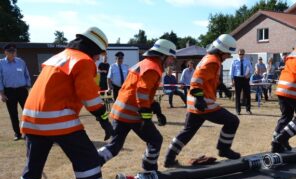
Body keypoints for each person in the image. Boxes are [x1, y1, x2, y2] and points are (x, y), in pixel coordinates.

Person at [14, 27, 124, 179]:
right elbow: (89, 95)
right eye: (99, 54)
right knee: (88, 159)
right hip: (57, 118)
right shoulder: (83, 61)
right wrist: (104, 120)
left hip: (31, 119)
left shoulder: (59, 57)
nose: (99, 58)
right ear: (94, 49)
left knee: (33, 168)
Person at [97, 39, 176, 171]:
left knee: (114, 146)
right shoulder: (153, 67)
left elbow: (139, 91)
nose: (172, 61)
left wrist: (156, 108)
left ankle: (93, 163)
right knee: (155, 140)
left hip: (120, 111)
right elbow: (142, 93)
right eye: (171, 58)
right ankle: (149, 169)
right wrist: (146, 117)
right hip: (133, 113)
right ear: (162, 56)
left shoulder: (144, 63)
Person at [163, 34, 240, 168]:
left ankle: (169, 159)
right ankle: (224, 149)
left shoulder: (209, 58)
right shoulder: (213, 61)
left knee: (187, 131)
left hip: (195, 101)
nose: (228, 56)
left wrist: (222, 87)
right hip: (202, 102)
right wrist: (200, 99)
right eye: (228, 54)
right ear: (221, 51)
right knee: (233, 121)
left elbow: (209, 79)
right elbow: (196, 81)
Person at [0, 43, 31, 141]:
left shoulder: (21, 62)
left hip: (22, 90)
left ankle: (28, 133)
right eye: (10, 51)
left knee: (27, 113)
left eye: (14, 51)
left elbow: (27, 74)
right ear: (5, 52)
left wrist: (28, 86)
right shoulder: (1, 63)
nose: (13, 53)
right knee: (13, 113)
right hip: (9, 91)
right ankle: (17, 134)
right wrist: (1, 93)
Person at [230, 49, 253, 115]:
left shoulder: (247, 61)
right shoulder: (234, 61)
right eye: (240, 54)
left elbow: (251, 70)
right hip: (237, 79)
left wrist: (248, 75)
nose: (241, 55)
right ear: (238, 54)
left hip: (245, 79)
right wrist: (232, 81)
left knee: (247, 94)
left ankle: (248, 110)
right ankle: (238, 110)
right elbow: (231, 72)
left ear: (244, 54)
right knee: (238, 95)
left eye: (242, 54)